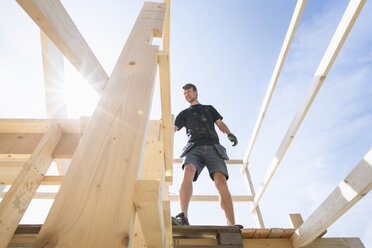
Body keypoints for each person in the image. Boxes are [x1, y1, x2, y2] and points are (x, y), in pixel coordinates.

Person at [172, 83, 240, 227]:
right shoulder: (184, 114)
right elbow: (173, 128)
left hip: (213, 147)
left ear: (196, 92)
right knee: (187, 172)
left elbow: (220, 123)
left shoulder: (209, 108)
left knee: (221, 182)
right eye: (184, 94)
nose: (187, 95)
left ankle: (232, 225)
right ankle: (183, 217)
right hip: (193, 147)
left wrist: (229, 133)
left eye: (189, 92)